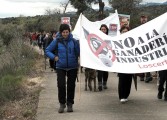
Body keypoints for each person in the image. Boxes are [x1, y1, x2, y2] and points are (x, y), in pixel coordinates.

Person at [45, 24, 80, 113]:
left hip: (72, 66)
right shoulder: (56, 41)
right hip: (60, 66)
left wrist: (81, 47)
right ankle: (62, 103)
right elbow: (47, 50)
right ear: (60, 32)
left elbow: (79, 52)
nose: (65, 34)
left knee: (71, 86)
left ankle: (70, 104)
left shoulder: (74, 41)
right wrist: (54, 57)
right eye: (63, 32)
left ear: (69, 32)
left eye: (67, 32)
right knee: (61, 85)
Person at [118, 26, 133, 103]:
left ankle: (126, 95)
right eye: (124, 31)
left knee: (128, 80)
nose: (125, 33)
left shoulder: (132, 41)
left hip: (130, 64)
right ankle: (121, 96)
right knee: (122, 80)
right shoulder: (118, 40)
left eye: (126, 31)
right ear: (121, 32)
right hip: (122, 64)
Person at [139, 14, 153, 83]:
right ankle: (142, 75)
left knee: (147, 60)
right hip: (140, 46)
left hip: (148, 46)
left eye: (145, 18)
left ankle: (147, 75)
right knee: (141, 60)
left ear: (147, 19)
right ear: (140, 19)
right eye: (142, 18)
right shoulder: (138, 28)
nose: (143, 19)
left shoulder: (150, 27)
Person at [97, 24, 109, 91]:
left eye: (104, 29)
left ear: (106, 30)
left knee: (105, 71)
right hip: (99, 56)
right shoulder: (97, 37)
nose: (103, 30)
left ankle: (104, 82)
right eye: (102, 29)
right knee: (99, 70)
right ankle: (99, 84)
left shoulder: (109, 37)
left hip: (106, 56)